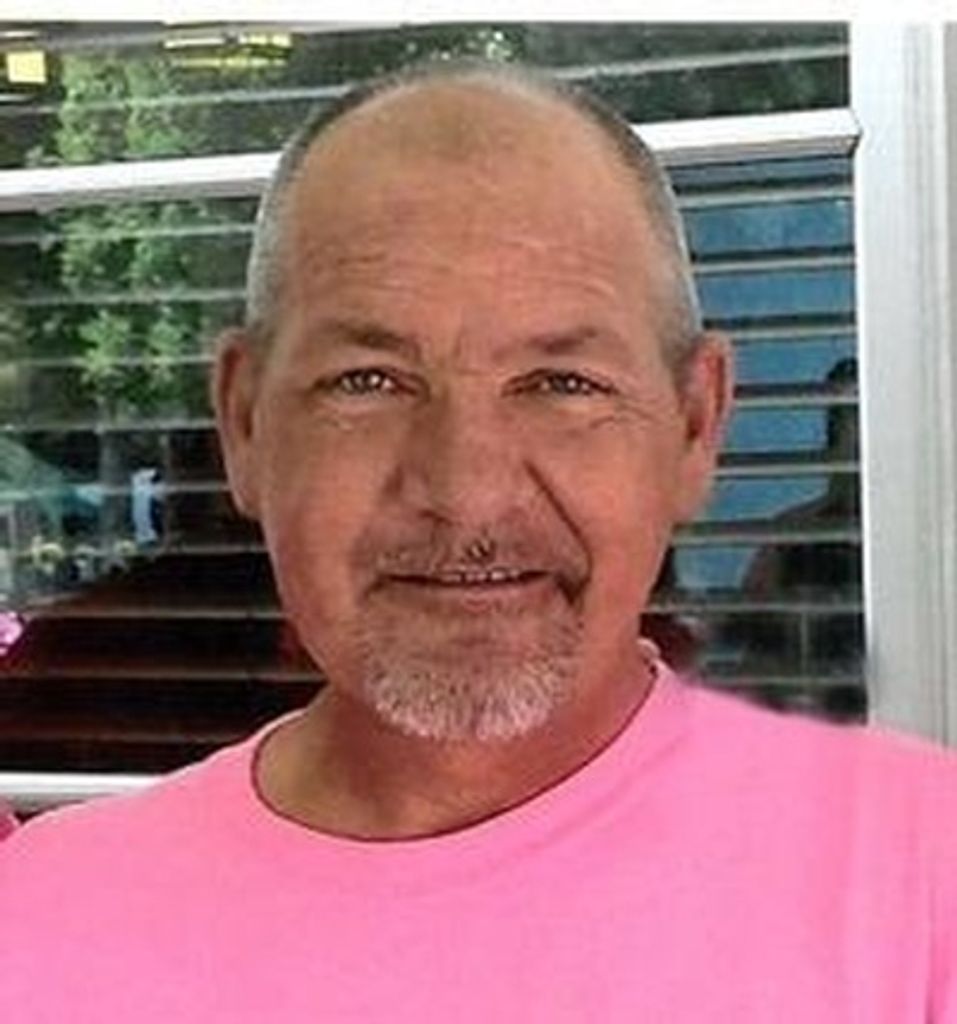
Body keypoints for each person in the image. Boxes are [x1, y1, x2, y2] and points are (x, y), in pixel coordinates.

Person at [1, 61, 954, 1023]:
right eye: (368, 381)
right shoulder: (41, 927)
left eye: (562, 384)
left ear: (696, 425)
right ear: (244, 425)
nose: (465, 493)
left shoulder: (922, 891)